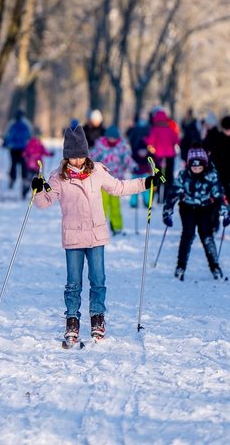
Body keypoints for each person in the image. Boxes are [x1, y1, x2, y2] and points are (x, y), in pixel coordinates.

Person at [31, 125, 153, 346]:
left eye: (80, 156)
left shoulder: (97, 171)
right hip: (73, 238)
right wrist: (39, 189)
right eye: (72, 157)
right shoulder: (59, 177)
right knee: (73, 284)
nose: (76, 162)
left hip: (96, 236)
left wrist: (146, 182)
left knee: (98, 281)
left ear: (86, 154)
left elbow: (119, 187)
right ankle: (72, 320)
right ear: (66, 157)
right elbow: (43, 202)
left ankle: (97, 318)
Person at [162, 144, 229, 281]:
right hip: (187, 208)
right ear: (188, 165)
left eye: (200, 167)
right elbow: (173, 194)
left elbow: (219, 196)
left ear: (205, 165)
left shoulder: (211, 176)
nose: (197, 170)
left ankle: (215, 266)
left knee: (206, 235)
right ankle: (180, 266)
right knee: (188, 234)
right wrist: (167, 212)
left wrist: (224, 213)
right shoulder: (183, 176)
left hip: (205, 208)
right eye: (194, 167)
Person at [89, 125, 135, 235]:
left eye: (114, 138)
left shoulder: (121, 146)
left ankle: (117, 227)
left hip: (116, 180)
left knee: (115, 205)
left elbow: (127, 159)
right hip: (102, 180)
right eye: (110, 138)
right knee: (102, 204)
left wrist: (133, 166)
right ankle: (100, 227)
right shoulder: (100, 145)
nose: (112, 140)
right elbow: (92, 156)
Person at [145, 108, 179, 195]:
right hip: (170, 155)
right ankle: (167, 194)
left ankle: (158, 193)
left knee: (158, 175)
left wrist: (145, 140)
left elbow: (150, 141)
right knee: (169, 175)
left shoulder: (155, 129)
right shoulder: (170, 129)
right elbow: (177, 140)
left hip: (158, 156)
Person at [2, 110, 33, 190]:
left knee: (13, 164)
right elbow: (30, 136)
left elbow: (8, 135)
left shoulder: (12, 123)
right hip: (24, 148)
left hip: (14, 148)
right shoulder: (27, 124)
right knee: (24, 165)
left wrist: (5, 143)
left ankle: (12, 179)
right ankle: (24, 180)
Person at [21, 130, 53, 198]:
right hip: (38, 166)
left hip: (30, 165)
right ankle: (39, 193)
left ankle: (25, 191)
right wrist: (50, 154)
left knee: (29, 179)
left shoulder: (29, 143)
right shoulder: (39, 144)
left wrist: (25, 157)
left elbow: (24, 154)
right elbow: (45, 152)